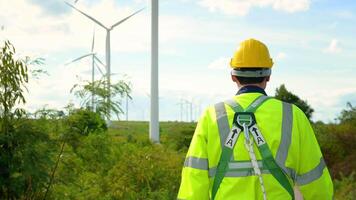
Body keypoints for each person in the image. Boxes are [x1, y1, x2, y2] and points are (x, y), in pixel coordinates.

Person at [177, 38, 333, 200]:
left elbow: (194, 180)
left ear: (233, 76)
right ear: (268, 76)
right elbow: (316, 181)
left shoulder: (211, 116)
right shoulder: (293, 115)